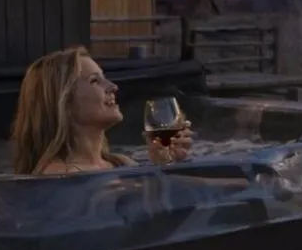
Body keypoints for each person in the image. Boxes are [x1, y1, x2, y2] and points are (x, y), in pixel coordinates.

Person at [10, 46, 194, 175]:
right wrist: (159, 176)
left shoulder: (120, 163)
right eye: (94, 81)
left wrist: (166, 162)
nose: (113, 86)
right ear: (64, 103)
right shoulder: (59, 176)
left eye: (105, 78)